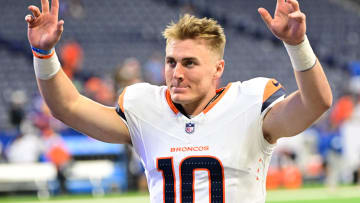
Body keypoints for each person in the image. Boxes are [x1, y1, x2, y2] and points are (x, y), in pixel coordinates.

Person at [25, 0, 332, 202]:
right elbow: (67, 107)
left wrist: (297, 45)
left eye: (190, 63)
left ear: (218, 69)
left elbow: (315, 103)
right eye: (171, 62)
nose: (177, 73)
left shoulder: (250, 103)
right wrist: (44, 54)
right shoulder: (145, 107)